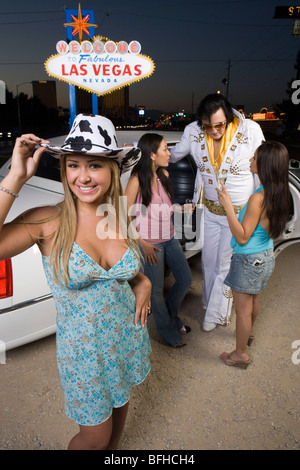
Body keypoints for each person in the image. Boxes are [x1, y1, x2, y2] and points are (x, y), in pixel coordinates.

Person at [0, 114, 152, 450]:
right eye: (73, 165)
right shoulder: (47, 221)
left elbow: (123, 273)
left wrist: (143, 283)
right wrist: (16, 178)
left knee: (116, 425)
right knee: (93, 437)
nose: (82, 176)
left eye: (94, 165)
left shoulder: (117, 215)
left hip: (124, 339)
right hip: (83, 355)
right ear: (64, 169)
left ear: (112, 170)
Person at [170, 93, 265, 331]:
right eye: (207, 126)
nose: (214, 131)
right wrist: (141, 152)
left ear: (229, 117)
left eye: (219, 125)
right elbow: (172, 155)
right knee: (209, 263)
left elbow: (261, 168)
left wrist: (262, 206)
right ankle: (209, 303)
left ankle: (217, 314)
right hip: (210, 211)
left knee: (225, 265)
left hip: (239, 214)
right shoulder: (193, 131)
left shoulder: (251, 130)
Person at [216, 141, 290, 368]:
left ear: (265, 165)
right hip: (266, 255)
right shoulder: (279, 192)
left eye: (254, 158)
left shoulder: (257, 198)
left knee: (243, 309)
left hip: (248, 259)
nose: (250, 161)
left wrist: (227, 206)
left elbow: (242, 237)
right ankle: (247, 336)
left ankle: (240, 355)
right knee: (254, 298)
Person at [125, 133, 193, 348]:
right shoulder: (136, 180)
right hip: (150, 243)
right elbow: (122, 215)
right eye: (165, 149)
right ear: (152, 154)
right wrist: (141, 243)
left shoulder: (163, 174)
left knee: (185, 280)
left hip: (170, 238)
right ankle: (166, 330)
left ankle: (172, 318)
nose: (169, 153)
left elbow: (162, 206)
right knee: (155, 290)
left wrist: (180, 208)